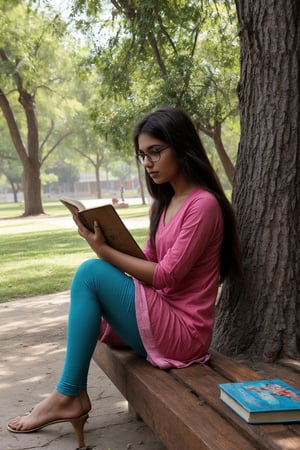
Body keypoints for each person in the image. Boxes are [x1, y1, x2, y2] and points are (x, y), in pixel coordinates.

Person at [7, 107, 242, 447]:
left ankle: (69, 395)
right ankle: (68, 393)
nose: (148, 162)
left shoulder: (203, 205)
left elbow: (166, 277)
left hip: (184, 331)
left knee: (91, 272)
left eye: (156, 152)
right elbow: (149, 261)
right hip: (161, 313)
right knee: (93, 279)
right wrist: (106, 238)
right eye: (143, 155)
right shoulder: (163, 204)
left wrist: (104, 253)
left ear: (182, 146)